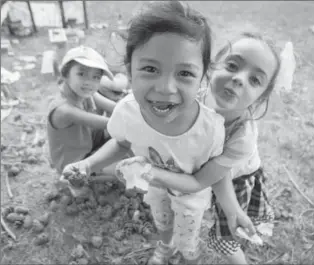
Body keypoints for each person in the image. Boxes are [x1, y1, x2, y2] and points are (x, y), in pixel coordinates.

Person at [62, 1, 225, 264]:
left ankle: (188, 255)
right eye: (150, 69)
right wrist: (88, 163)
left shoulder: (210, 130)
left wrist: (152, 172)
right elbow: (121, 143)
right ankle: (165, 246)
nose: (166, 87)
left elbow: (204, 180)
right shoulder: (127, 112)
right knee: (162, 221)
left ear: (203, 78)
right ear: (128, 71)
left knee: (188, 238)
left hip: (190, 200)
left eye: (184, 73)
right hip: (156, 190)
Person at [129, 31, 287, 264]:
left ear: (261, 98)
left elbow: (209, 178)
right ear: (211, 67)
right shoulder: (193, 97)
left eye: (255, 80)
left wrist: (233, 211)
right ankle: (167, 246)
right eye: (232, 65)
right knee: (169, 213)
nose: (239, 79)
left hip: (234, 179)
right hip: (200, 171)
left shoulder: (241, 137)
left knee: (224, 240)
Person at [47, 45, 117, 174]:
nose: (89, 82)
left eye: (96, 77)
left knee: (121, 141)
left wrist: (133, 109)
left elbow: (115, 107)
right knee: (123, 167)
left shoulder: (85, 92)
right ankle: (76, 183)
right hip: (74, 161)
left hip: (88, 141)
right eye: (81, 74)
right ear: (65, 75)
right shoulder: (64, 110)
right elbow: (109, 123)